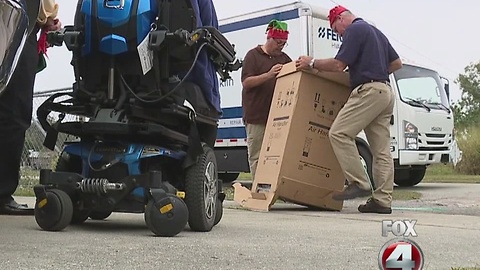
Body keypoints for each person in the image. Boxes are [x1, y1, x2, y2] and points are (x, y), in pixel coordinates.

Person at [295, 5, 402, 214]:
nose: (339, 34)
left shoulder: (354, 29)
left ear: (341, 19)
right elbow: (396, 63)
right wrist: (375, 70)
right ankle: (382, 200)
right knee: (381, 151)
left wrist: (312, 62)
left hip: (369, 91)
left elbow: (338, 65)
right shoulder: (376, 33)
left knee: (339, 132)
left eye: (336, 30)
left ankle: (359, 182)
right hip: (385, 92)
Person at [0, 0, 61, 215]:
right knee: (13, 113)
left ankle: (2, 192)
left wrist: (48, 19)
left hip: (23, 27)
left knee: (15, 113)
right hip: (10, 18)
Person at [241, 20, 292, 180]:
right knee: (257, 154)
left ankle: (275, 187)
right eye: (278, 43)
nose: (281, 47)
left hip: (278, 117)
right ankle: (259, 190)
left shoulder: (284, 58)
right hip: (256, 116)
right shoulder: (253, 55)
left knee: (277, 155)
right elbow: (246, 82)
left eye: (284, 44)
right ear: (269, 38)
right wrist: (269, 75)